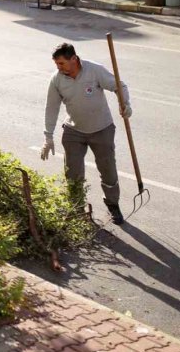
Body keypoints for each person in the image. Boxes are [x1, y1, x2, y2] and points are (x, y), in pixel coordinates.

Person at [40, 42, 132, 225]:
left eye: (61, 63)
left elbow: (118, 86)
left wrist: (125, 103)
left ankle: (113, 205)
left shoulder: (94, 70)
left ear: (73, 59)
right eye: (56, 64)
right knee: (73, 173)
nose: (58, 68)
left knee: (108, 171)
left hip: (102, 129)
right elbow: (51, 108)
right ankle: (76, 209)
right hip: (74, 131)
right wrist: (48, 136)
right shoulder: (57, 79)